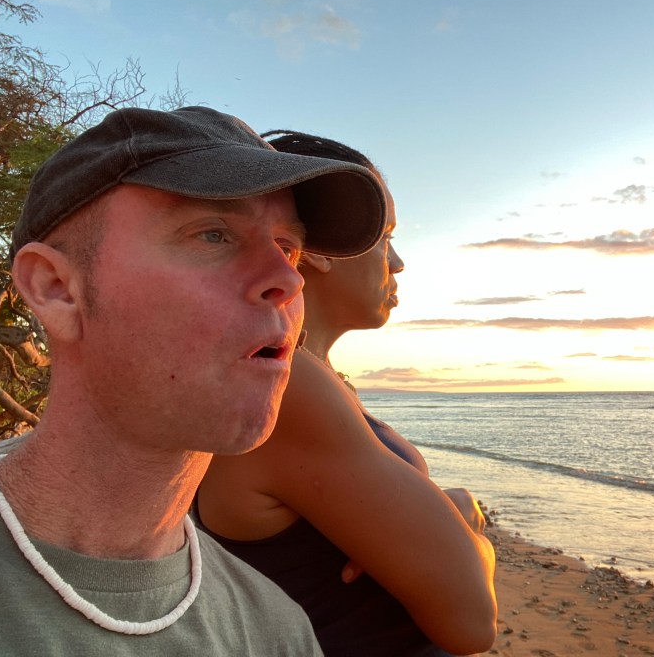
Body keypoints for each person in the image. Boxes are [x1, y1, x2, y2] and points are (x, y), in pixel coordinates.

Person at [0, 107, 388, 655]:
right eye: (214, 235)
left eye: (288, 248)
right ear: (57, 288)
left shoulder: (277, 632)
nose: (287, 280)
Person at [197, 131, 497, 657]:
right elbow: (473, 621)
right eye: (385, 237)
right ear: (321, 252)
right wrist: (461, 511)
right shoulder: (289, 386)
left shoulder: (314, 378)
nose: (397, 262)